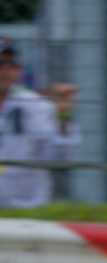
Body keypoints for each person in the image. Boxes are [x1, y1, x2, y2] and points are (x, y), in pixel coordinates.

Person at [0, 43, 78, 209]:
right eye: (1, 64)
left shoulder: (36, 105)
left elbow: (59, 159)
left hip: (26, 207)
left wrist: (63, 117)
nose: (6, 70)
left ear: (19, 70)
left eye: (12, 65)